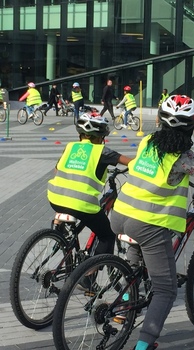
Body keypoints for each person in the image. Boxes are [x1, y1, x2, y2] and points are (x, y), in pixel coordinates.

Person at [111, 95, 194, 350]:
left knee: (135, 259)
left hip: (119, 215)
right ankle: (143, 346)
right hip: (148, 223)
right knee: (166, 289)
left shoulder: (147, 141)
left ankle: (123, 304)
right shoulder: (185, 158)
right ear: (191, 126)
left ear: (161, 122)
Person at [47, 113, 132, 289]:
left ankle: (60, 231)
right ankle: (88, 277)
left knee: (70, 212)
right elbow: (131, 162)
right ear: (101, 136)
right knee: (107, 235)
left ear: (80, 134)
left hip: (54, 197)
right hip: (81, 203)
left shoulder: (70, 147)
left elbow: (56, 171)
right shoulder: (102, 151)